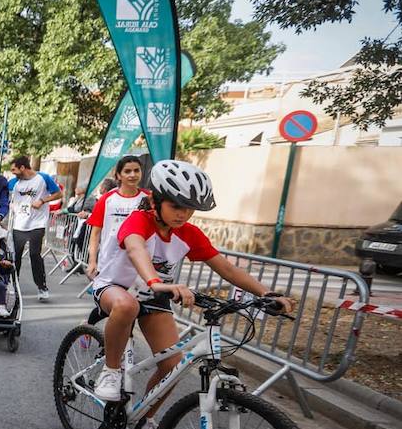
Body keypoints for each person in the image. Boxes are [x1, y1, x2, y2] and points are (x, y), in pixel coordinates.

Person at [90, 159, 296, 403]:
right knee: (126, 305)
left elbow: (227, 269)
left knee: (172, 367)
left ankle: (144, 422)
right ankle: (111, 371)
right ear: (155, 201)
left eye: (189, 208)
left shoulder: (189, 234)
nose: (183, 214)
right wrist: (155, 281)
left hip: (154, 296)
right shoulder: (138, 220)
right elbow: (136, 248)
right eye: (176, 206)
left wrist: (267, 294)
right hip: (115, 287)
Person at [7, 154, 62, 301]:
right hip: (19, 223)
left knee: (34, 254)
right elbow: (5, 194)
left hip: (37, 223)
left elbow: (58, 193)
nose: (12, 173)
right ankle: (13, 284)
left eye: (14, 170)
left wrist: (43, 200)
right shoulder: (14, 182)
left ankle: (42, 287)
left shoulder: (43, 178)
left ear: (23, 167)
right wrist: (10, 204)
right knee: (15, 255)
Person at [85, 155, 149, 281]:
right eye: (127, 171)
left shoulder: (149, 199)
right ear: (119, 175)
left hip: (140, 265)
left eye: (137, 170)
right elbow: (95, 233)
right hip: (109, 264)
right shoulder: (106, 199)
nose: (133, 175)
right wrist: (92, 261)